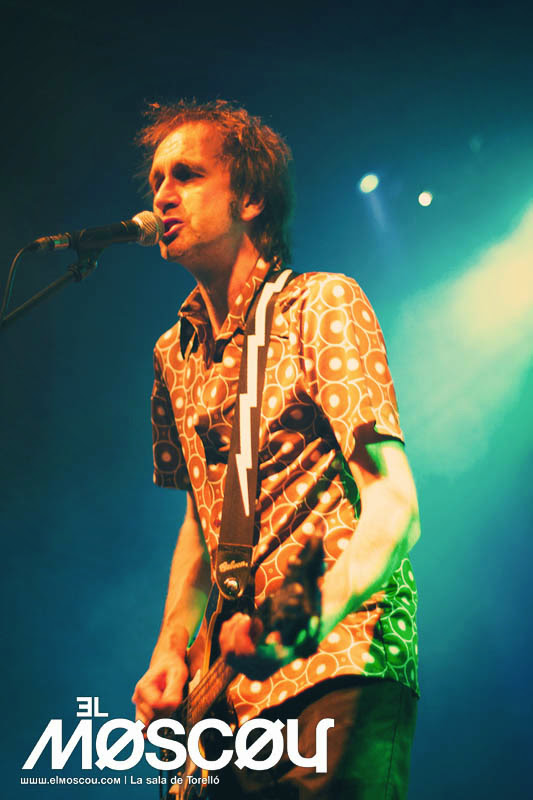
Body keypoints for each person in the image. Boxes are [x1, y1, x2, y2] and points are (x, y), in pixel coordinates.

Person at [132, 99, 420, 798]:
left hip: (335, 661)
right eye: (156, 181)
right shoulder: (172, 353)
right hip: (223, 701)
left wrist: (314, 615)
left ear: (251, 198)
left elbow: (394, 503)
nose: (162, 195)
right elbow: (203, 518)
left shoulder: (321, 305)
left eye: (187, 175)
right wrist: (171, 648)